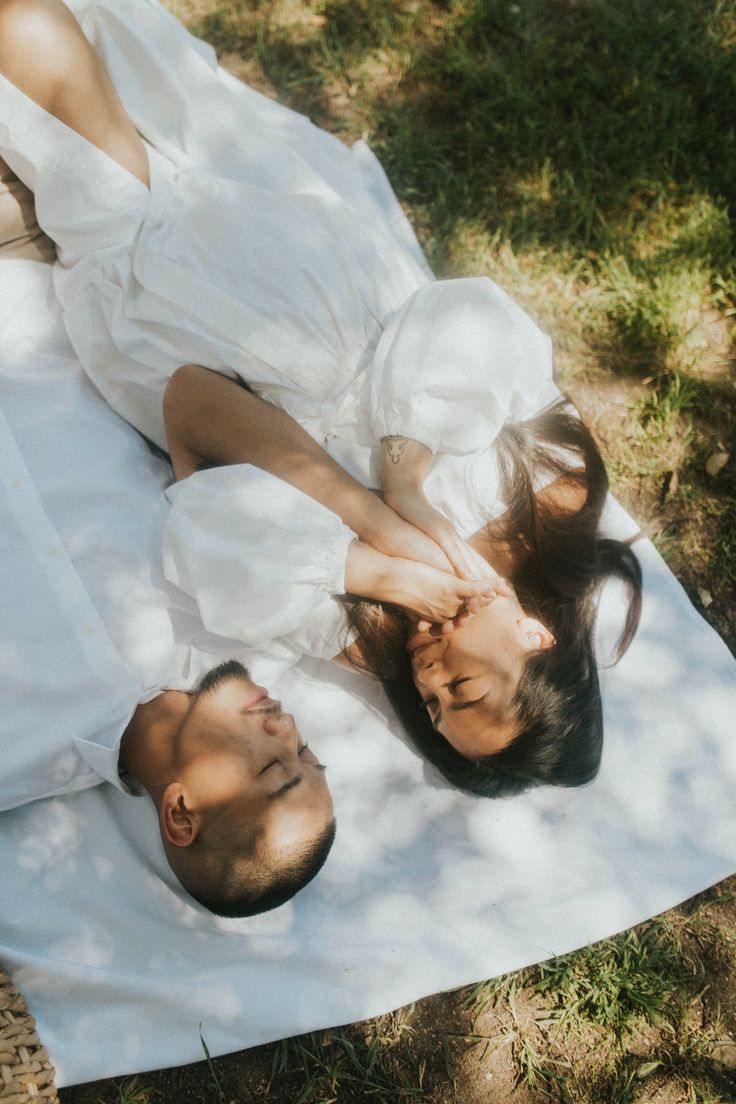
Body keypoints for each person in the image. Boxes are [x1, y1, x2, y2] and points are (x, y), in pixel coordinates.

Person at [0, 0, 641, 798]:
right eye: (464, 688)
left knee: (32, 52)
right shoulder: (550, 504)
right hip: (282, 266)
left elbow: (201, 505)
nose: (430, 680)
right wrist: (404, 478)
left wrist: (377, 555)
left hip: (148, 305)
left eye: (435, 708)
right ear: (536, 635)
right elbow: (467, 316)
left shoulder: (363, 629)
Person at [0, 265, 335, 918]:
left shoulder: (16, 752)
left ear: (182, 812)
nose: (286, 727)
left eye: (272, 767)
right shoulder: (243, 605)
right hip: (28, 293)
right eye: (305, 750)